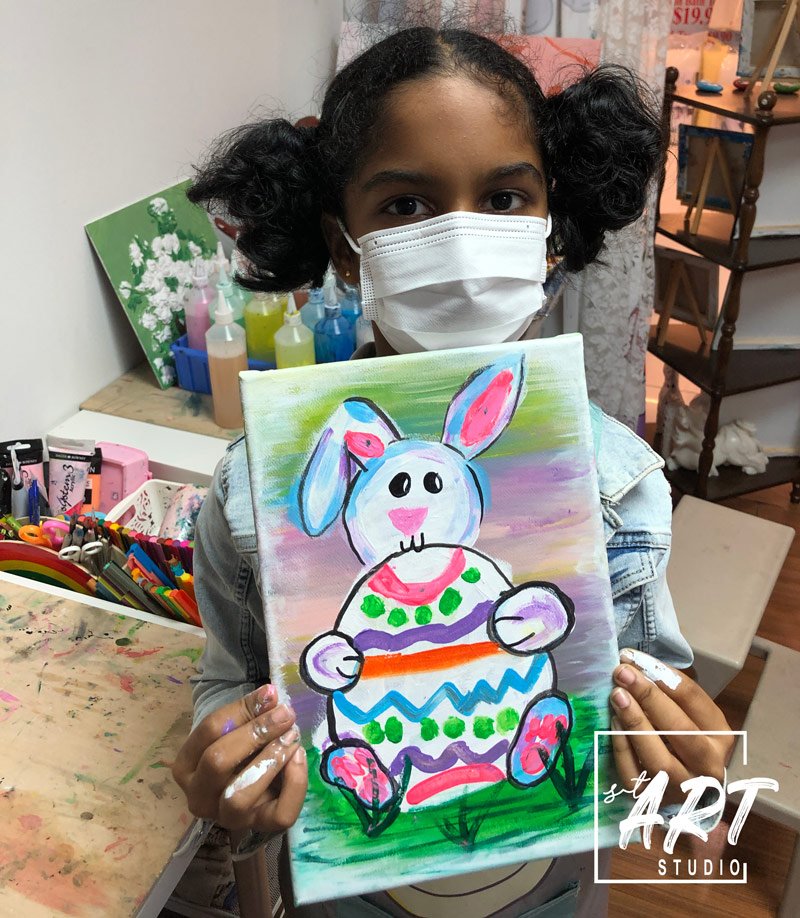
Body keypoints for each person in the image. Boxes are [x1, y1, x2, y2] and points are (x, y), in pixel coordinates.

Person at [172, 26, 733, 918]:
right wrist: (230, 759)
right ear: (344, 244)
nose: (463, 240)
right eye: (405, 205)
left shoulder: (621, 486)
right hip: (344, 895)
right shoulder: (254, 493)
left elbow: (641, 711)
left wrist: (680, 769)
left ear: (550, 232)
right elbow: (230, 680)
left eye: (505, 198)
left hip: (554, 893)